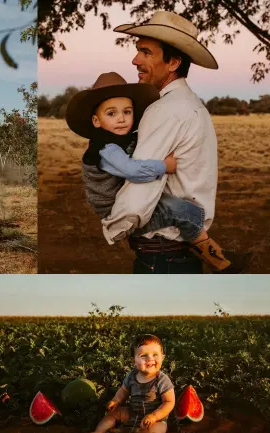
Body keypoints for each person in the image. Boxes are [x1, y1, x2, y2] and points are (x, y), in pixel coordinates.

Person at [98, 11, 251, 274]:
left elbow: (138, 195)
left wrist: (118, 228)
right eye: (137, 52)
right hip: (178, 253)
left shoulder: (166, 110)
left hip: (162, 256)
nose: (135, 60)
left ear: (173, 62)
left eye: (146, 52)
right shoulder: (191, 105)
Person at [66, 71, 245, 273]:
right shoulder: (105, 148)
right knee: (183, 211)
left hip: (122, 201)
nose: (121, 119)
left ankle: (208, 252)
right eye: (111, 113)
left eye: (127, 112)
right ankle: (216, 258)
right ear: (96, 121)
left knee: (188, 210)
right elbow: (131, 170)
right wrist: (164, 166)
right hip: (115, 210)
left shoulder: (122, 138)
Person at [81, 334, 174, 433]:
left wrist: (154, 416)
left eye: (155, 354)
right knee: (112, 414)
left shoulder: (162, 380)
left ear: (162, 357)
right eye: (144, 356)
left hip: (156, 420)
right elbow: (123, 391)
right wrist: (116, 401)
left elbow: (169, 401)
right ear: (133, 361)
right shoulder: (132, 376)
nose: (150, 359)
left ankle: (131, 432)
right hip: (133, 413)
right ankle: (98, 432)